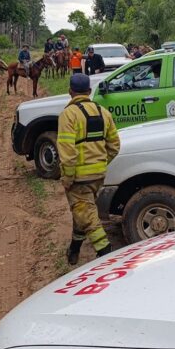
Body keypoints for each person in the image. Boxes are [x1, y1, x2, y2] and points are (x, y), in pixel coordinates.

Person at [58, 74, 120, 265]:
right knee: (83, 211)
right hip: (98, 175)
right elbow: (115, 145)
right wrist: (101, 162)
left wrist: (67, 179)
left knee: (86, 215)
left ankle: (106, 254)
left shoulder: (68, 115)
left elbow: (67, 152)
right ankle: (74, 251)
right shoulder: (103, 112)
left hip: (78, 178)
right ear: (89, 92)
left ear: (70, 92)